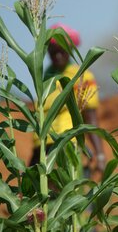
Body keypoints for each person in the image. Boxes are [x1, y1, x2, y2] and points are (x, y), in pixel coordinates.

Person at [29, 23, 106, 174]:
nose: (57, 55)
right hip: (43, 151)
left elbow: (90, 119)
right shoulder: (43, 80)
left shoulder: (81, 76)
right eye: (53, 51)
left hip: (69, 146)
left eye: (62, 51)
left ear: (70, 50)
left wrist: (100, 154)